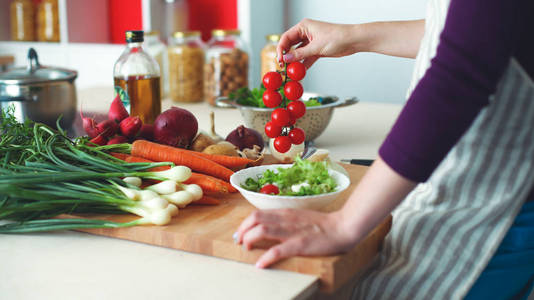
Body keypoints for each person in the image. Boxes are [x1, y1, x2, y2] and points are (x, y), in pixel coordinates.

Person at [234, 0, 534, 298]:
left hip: (489, 214)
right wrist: (353, 36)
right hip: (470, 194)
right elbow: (479, 31)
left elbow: (460, 74)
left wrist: (344, 224)